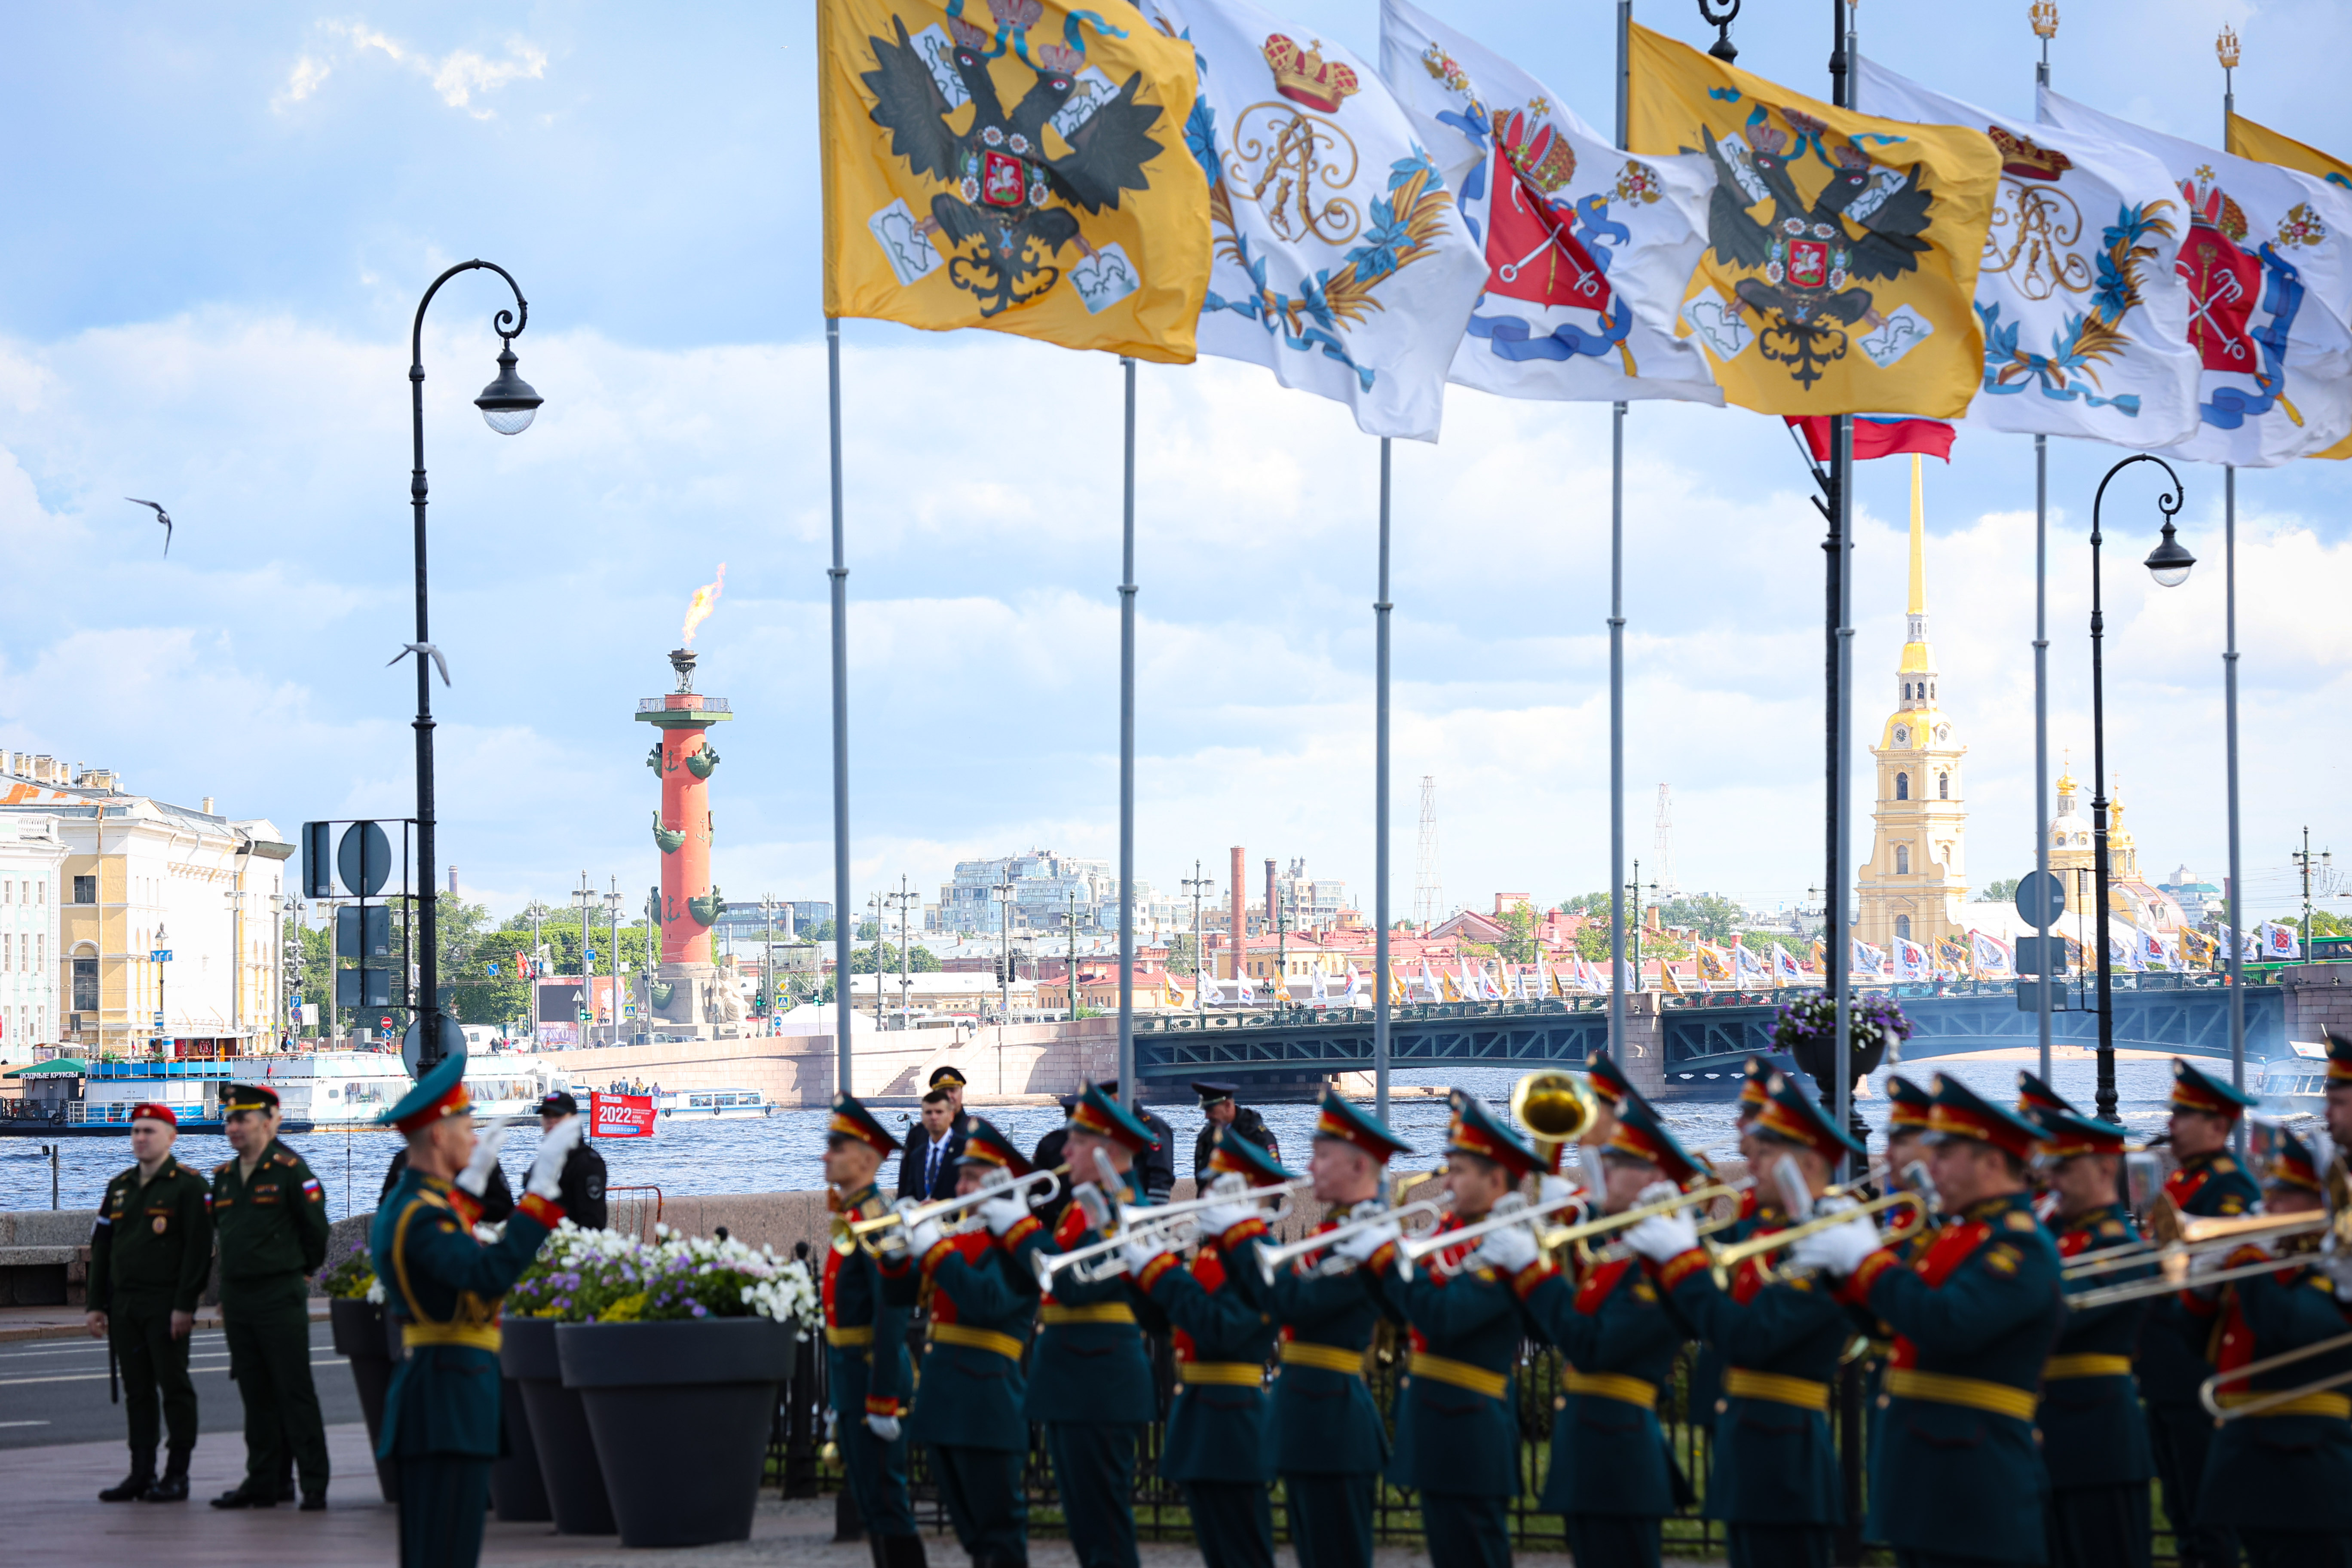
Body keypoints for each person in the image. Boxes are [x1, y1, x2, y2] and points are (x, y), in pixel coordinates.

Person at [1786, 1075, 2065, 1568]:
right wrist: (1840, 1273)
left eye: (1944, 1155)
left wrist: (1867, 1261)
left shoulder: (2018, 1245)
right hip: (1931, 1471)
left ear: (1993, 1162)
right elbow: (1893, 1328)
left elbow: (1947, 1324)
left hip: (1975, 1477)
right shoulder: (1961, 1235)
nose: (1928, 1168)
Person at [1625, 1072, 1865, 1568]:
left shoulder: (1824, 1240)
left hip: (1786, 1454)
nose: (1749, 1165)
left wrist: (1684, 1264)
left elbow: (1750, 1338)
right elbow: (1704, 1320)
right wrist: (1662, 1260)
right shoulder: (1776, 1232)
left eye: (1763, 1155)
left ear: (1807, 1164)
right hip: (1748, 1442)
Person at [372, 1050, 578, 1568]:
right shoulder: (421, 1215)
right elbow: (483, 1275)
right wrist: (539, 1199)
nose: (475, 1136)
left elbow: (446, 1247)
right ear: (439, 1136)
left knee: (437, 1547)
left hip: (443, 1391)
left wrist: (467, 1188)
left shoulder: (418, 1204)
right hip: (448, 1396)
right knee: (447, 1550)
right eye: (467, 1125)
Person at [1512, 1092, 1699, 1568]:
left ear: (1655, 1178)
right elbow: (1553, 1328)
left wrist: (1534, 1274)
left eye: (1617, 1164)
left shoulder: (1656, 1268)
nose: (1602, 1171)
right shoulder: (1616, 1258)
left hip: (1622, 1455)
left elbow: (1592, 1348)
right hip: (1589, 1448)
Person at [1229, 1086, 1412, 1568]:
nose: (1309, 1169)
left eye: (1321, 1156)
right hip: (1311, 1418)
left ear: (1357, 1167)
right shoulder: (1338, 1231)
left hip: (1331, 1422)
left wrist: (1245, 1232)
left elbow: (1294, 1304)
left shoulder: (1364, 1238)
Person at [1360, 1090, 1543, 1568]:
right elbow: (1407, 1315)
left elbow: (1445, 1317)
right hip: (1434, 1419)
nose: (1448, 1179)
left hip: (1472, 1424)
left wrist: (1391, 1262)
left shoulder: (1506, 1245)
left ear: (1497, 1179)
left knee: (1476, 1551)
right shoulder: (1447, 1232)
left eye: (1460, 1170)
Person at [980, 1081, 1158, 1568]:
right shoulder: (1085, 1206)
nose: (1065, 1149)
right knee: (1087, 1529)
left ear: (1105, 1149)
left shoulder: (1121, 1209)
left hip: (1098, 1383)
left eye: (1076, 1141)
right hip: (1076, 1381)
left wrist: (1019, 1227)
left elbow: (1075, 1282)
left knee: (1105, 1530)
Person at [2182, 1125, 2352, 1566]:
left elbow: (2290, 1325)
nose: (2268, 1203)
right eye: (2270, 1189)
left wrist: (2250, 1262)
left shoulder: (2334, 1271)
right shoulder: (2273, 1266)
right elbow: (2203, 1346)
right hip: (2249, 1459)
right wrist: (2202, 1292)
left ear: (2321, 1203)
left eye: (2284, 1193)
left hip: (2307, 1469)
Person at [1126, 1129, 1294, 1568]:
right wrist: (1141, 1273)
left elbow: (1220, 1330)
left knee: (1244, 1551)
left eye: (1219, 1184)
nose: (1207, 1193)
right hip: (1199, 1415)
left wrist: (1163, 1275)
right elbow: (1164, 1322)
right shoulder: (1211, 1252)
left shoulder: (1263, 1256)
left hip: (1235, 1418)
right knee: (1218, 1551)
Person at [880, 1118, 1038, 1568]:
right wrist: (898, 1254)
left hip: (987, 1407)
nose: (959, 1184)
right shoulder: (956, 1239)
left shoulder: (1017, 1248)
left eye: (971, 1177)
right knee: (973, 1537)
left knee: (999, 1536)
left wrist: (932, 1249)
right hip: (943, 1404)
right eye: (961, 1174)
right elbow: (899, 1296)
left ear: (1000, 1183)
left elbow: (987, 1301)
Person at [2139, 1060, 2261, 1568]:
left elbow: (2215, 1288)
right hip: (2166, 1374)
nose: (2171, 1124)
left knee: (2208, 1520)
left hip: (2196, 1371)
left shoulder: (2230, 1191)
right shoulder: (2189, 1182)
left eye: (2183, 1116)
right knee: (2182, 1509)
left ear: (2217, 1126)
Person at [2030, 1106, 2156, 1568]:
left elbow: (2055, 1314)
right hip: (2051, 1433)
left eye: (2064, 1167)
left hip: (2099, 1442)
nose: (2052, 1179)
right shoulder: (2062, 1236)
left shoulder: (2118, 1246)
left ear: (2105, 1168)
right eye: (2050, 1166)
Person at [208, 1082, 331, 1510]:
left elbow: (316, 1232)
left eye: (242, 1119)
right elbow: (227, 1241)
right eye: (229, 1120)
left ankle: (313, 1482)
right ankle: (266, 1480)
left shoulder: (290, 1171)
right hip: (239, 1298)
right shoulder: (223, 1178)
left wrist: (302, 1274)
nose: (233, 1127)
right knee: (255, 1393)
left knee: (294, 1390)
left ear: (268, 1122)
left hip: (280, 1293)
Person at [85, 1101, 213, 1503]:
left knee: (174, 1387)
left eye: (149, 1131)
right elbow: (101, 1247)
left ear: (171, 1138)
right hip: (125, 1305)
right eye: (136, 1131)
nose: (140, 1138)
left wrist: (185, 1306)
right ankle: (141, 1473)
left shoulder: (190, 1186)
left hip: (165, 1304)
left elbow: (198, 1251)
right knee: (137, 1390)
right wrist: (94, 1305)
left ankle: (177, 1474)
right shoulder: (120, 1186)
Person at [824, 1093, 926, 1568]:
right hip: (854, 1379)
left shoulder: (875, 1220)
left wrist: (882, 1396)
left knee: (888, 1505)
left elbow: (891, 1313)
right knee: (872, 1504)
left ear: (866, 1159)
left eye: (837, 1148)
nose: (827, 1156)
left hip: (873, 1377)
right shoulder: (855, 1216)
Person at [527, 1091, 608, 1227]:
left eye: (558, 1115)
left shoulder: (588, 1162)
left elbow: (593, 1220)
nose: (552, 1120)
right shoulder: (545, 1158)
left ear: (573, 1119)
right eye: (547, 1116)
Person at [1094, 1081, 1176, 1202]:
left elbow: (1160, 1173)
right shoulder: (1109, 1127)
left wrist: (1153, 1211)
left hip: (1142, 1203)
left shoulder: (1152, 1126)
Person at [1188, 1081, 1279, 1187]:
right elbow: (1201, 1180)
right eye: (1205, 1111)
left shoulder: (1257, 1135)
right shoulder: (1206, 1136)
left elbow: (1274, 1182)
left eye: (1211, 1110)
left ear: (1228, 1106)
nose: (1207, 1116)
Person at [900, 1089, 966, 1204]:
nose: (934, 1117)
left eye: (939, 1112)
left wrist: (941, 1206)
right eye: (929, 1113)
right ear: (922, 1117)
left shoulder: (965, 1150)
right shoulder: (917, 1156)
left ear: (951, 1116)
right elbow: (909, 1195)